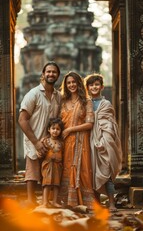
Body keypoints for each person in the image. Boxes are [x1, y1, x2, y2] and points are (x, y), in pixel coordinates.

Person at [18, 61, 61, 208]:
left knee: (49, 170)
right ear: (43, 75)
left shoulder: (58, 96)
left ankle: (47, 201)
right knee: (32, 170)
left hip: (50, 140)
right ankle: (30, 201)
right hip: (34, 138)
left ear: (57, 76)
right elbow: (22, 120)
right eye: (48, 72)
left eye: (54, 72)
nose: (51, 74)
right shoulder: (34, 94)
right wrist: (36, 142)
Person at [84, 73, 122, 212]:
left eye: (97, 85)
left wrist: (103, 140)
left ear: (102, 87)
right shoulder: (85, 103)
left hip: (105, 142)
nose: (94, 87)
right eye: (91, 85)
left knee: (107, 172)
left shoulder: (106, 104)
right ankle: (97, 204)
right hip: (89, 142)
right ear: (87, 87)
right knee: (92, 172)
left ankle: (112, 203)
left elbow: (110, 124)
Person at [58, 71, 96, 210]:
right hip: (65, 142)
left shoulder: (86, 101)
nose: (71, 85)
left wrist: (70, 130)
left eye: (74, 82)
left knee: (82, 170)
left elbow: (89, 124)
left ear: (79, 83)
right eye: (68, 83)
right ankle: (66, 200)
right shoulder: (63, 102)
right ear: (65, 85)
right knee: (66, 170)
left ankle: (84, 201)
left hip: (81, 141)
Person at [37, 117, 64, 208]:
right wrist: (39, 154)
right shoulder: (45, 141)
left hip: (57, 165)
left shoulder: (61, 142)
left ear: (60, 131)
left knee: (56, 184)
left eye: (58, 129)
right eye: (53, 128)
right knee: (46, 183)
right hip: (48, 164)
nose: (55, 131)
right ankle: (45, 202)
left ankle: (54, 201)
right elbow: (40, 152)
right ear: (49, 129)